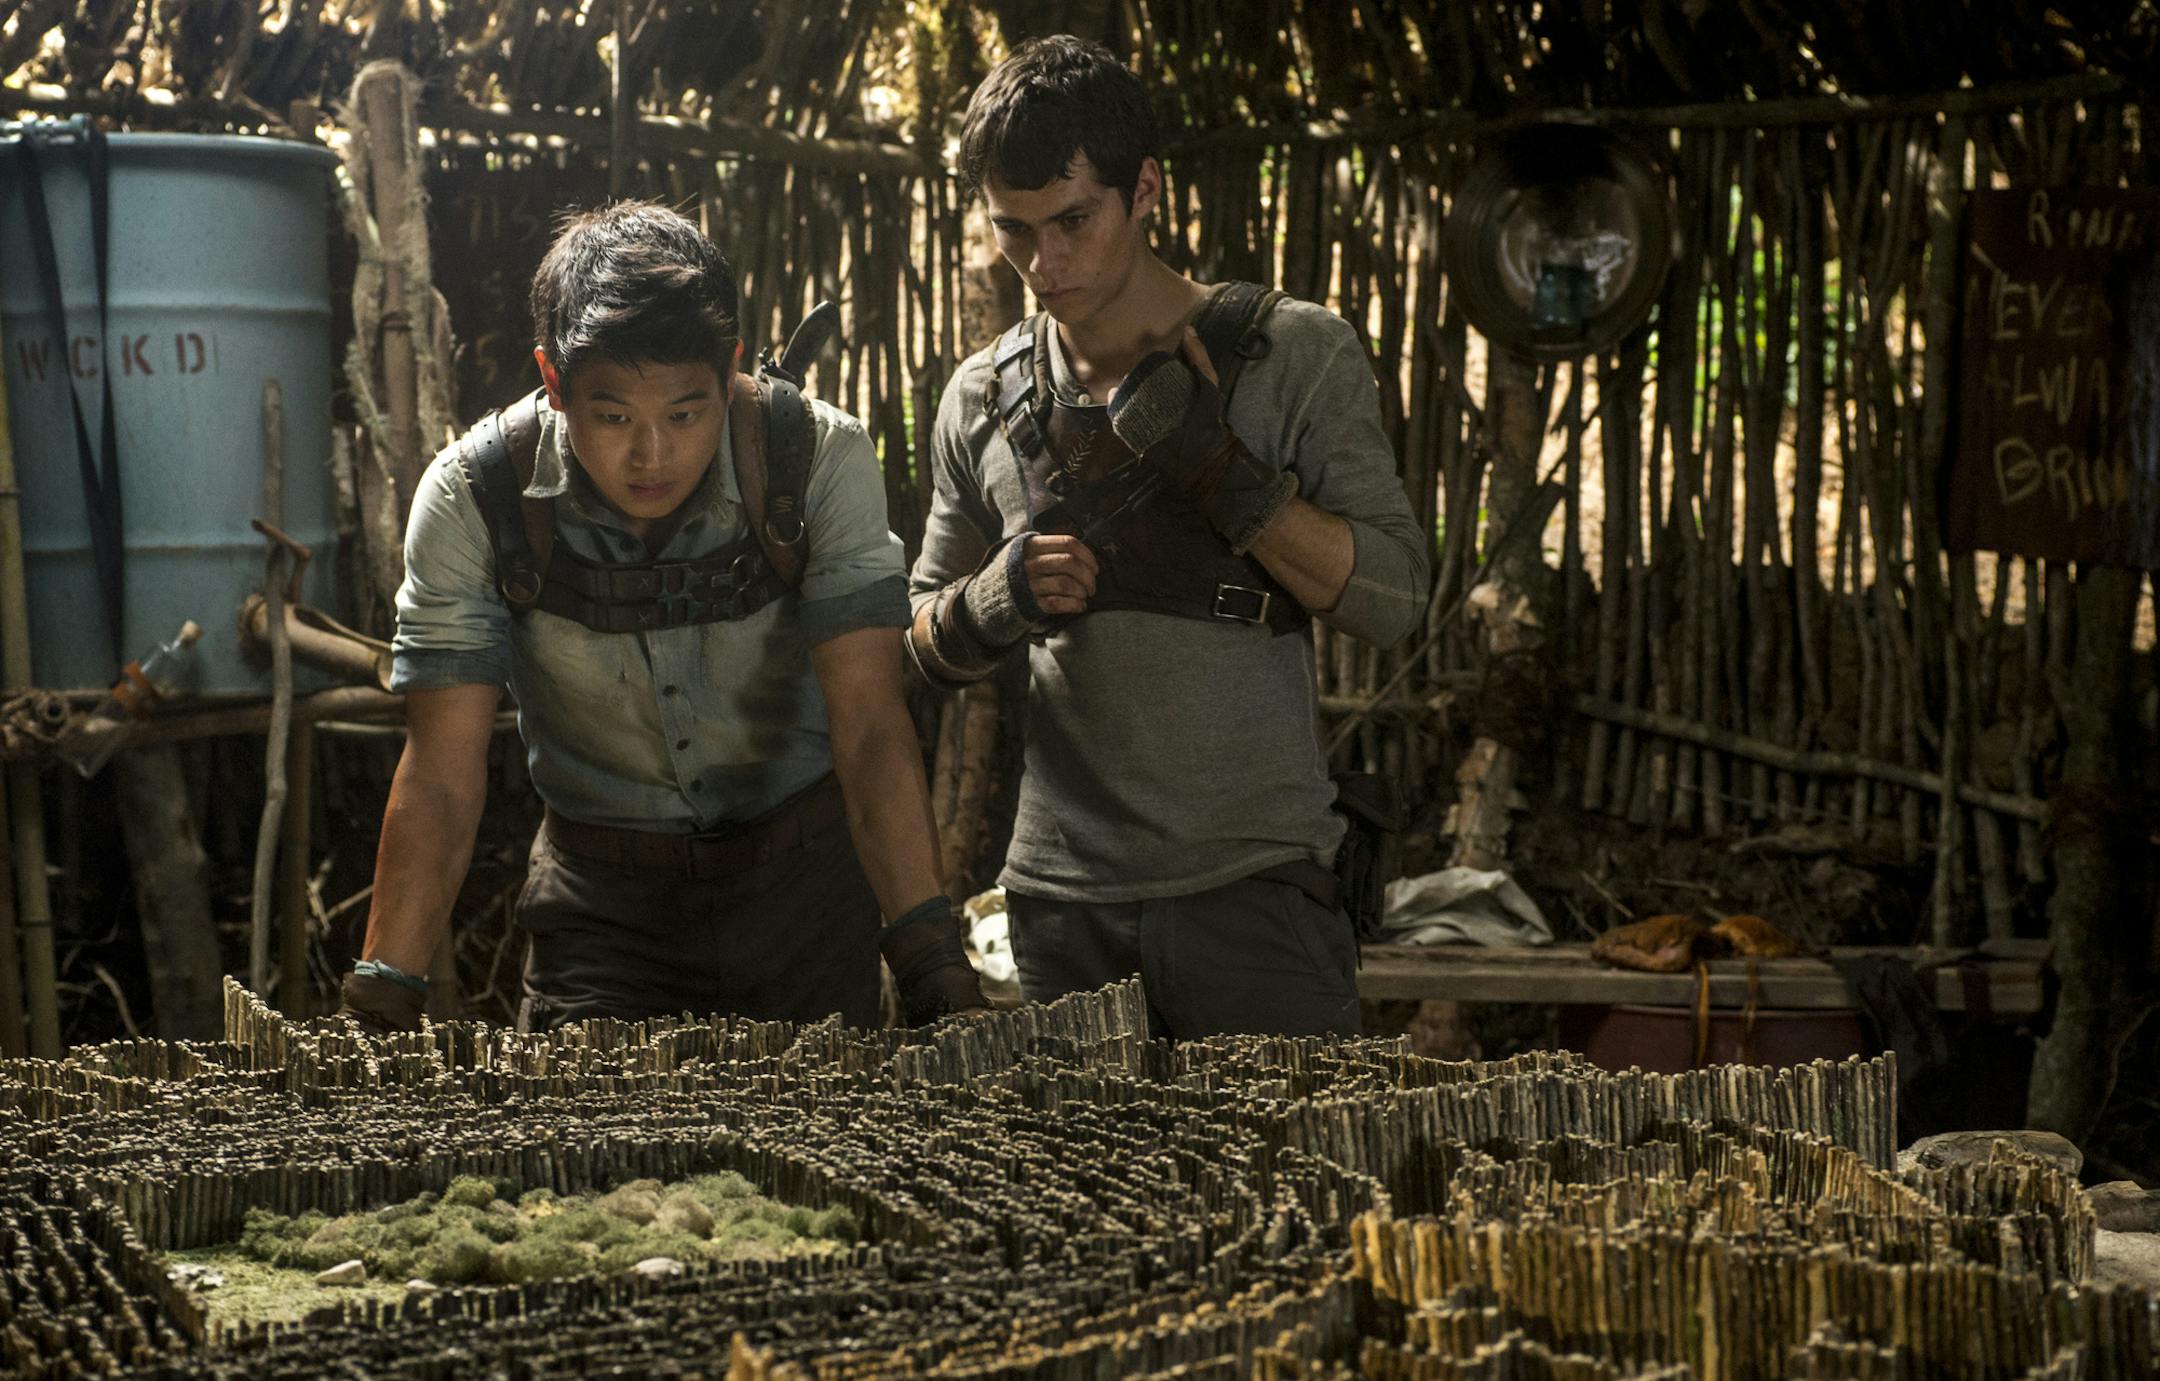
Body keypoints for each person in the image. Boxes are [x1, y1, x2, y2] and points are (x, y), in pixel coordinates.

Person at [339, 201, 985, 1034]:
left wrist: (930, 953)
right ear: (553, 381)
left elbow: (868, 726)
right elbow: (438, 775)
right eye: (613, 418)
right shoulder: (476, 499)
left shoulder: (813, 460)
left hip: (806, 899)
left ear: (733, 372)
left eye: (685, 413)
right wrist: (386, 995)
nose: (652, 455)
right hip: (601, 912)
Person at [907, 37, 1431, 1039]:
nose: (1043, 264)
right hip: (1058, 906)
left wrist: (1225, 476)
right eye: (1012, 231)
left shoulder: (1293, 354)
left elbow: (1398, 600)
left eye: (1072, 221)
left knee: (1284, 1185)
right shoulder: (980, 398)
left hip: (1257, 891)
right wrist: (993, 598)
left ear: (1145, 190)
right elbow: (913, 640)